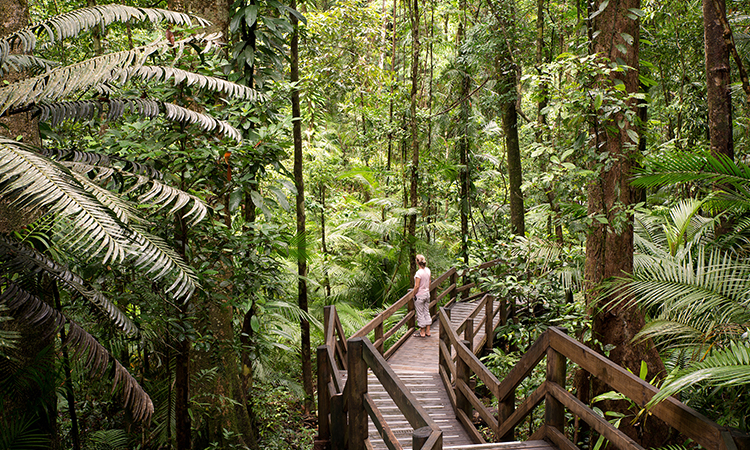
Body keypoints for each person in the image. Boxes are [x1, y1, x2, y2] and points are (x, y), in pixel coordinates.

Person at [413, 254, 432, 337]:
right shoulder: (428, 270)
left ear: (417, 262)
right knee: (426, 312)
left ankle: (422, 332)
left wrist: (413, 294)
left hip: (420, 295)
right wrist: (428, 290)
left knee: (420, 314)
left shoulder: (419, 273)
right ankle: (428, 331)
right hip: (427, 294)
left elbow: (416, 286)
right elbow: (430, 282)